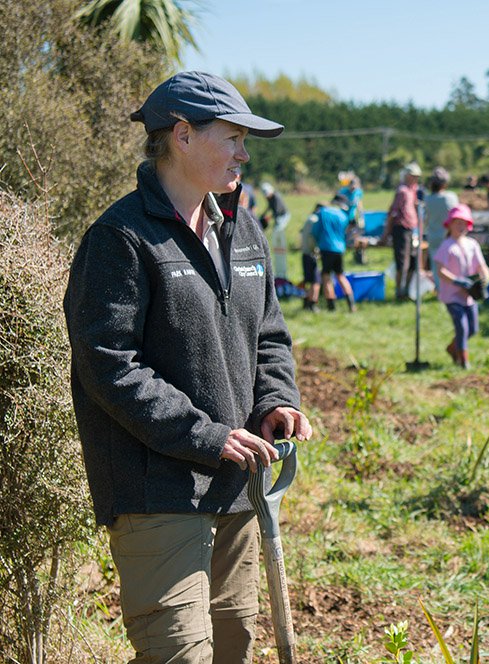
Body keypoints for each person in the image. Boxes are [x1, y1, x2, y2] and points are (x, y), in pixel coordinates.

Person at [63, 71, 313, 662]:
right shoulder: (121, 238)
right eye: (232, 138)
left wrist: (278, 399)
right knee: (179, 653)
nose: (244, 154)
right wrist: (206, 436)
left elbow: (270, 335)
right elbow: (108, 365)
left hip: (237, 485)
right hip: (159, 489)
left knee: (233, 644)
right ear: (181, 134)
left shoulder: (243, 229)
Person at [434, 204, 489, 370]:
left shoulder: (472, 244)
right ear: (450, 225)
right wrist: (457, 281)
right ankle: (463, 360)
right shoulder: (447, 246)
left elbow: (482, 266)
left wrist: (485, 278)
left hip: (469, 295)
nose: (460, 226)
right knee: (461, 326)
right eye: (457, 223)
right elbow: (440, 271)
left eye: (463, 223)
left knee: (473, 328)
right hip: (452, 295)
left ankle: (452, 348)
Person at [386, 163, 422, 299]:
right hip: (401, 229)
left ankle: (406, 290)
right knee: (402, 262)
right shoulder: (402, 191)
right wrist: (386, 233)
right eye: (413, 176)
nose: (415, 179)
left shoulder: (413, 190)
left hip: (412, 229)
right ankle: (399, 291)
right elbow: (393, 212)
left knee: (413, 262)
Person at [315, 194, 357, 312]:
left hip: (326, 248)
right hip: (339, 248)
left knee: (326, 276)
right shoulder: (343, 216)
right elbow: (346, 231)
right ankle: (351, 304)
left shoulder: (323, 212)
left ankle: (331, 306)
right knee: (340, 275)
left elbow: (315, 230)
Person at [423, 166, 460, 280]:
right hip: (448, 236)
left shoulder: (428, 199)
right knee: (450, 266)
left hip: (433, 236)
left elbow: (426, 218)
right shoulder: (450, 197)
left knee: (436, 266)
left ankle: (440, 290)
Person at [259, 182, 290, 280]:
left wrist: (268, 217)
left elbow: (277, 211)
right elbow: (269, 207)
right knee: (276, 231)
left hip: (283, 215)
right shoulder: (269, 198)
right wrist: (263, 214)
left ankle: (279, 244)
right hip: (277, 215)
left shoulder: (276, 197)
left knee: (278, 230)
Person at [337, 175, 366, 264]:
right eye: (351, 185)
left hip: (352, 216)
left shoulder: (358, 192)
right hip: (342, 217)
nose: (353, 188)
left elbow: (359, 203)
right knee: (342, 234)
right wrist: (342, 205)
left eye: (355, 186)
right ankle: (339, 252)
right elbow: (334, 201)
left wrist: (361, 215)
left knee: (356, 234)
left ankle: (358, 255)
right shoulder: (343, 191)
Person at [299, 204, 322, 311]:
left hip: (304, 253)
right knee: (316, 281)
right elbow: (311, 237)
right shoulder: (315, 220)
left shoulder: (309, 219)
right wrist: (316, 251)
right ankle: (313, 304)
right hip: (311, 254)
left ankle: (306, 302)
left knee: (308, 280)